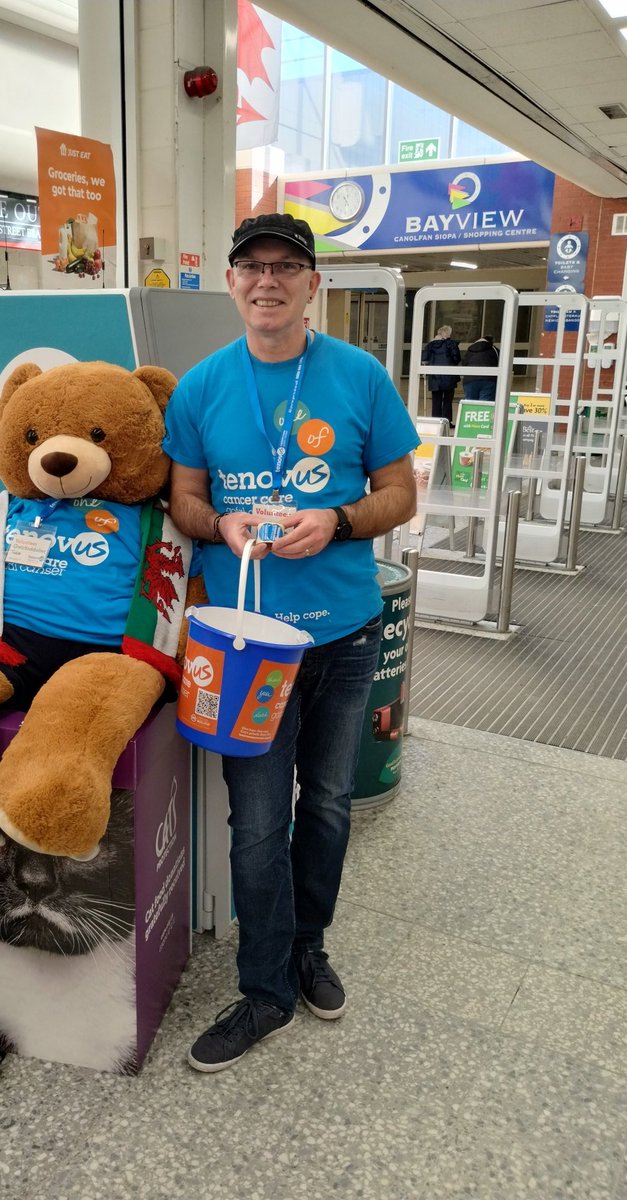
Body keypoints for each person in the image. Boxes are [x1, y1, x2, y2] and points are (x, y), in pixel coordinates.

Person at [163, 212, 419, 1073]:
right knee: (257, 823)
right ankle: (264, 988)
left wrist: (340, 521)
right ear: (231, 283)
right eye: (251, 266)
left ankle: (311, 947)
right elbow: (183, 501)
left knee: (330, 805)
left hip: (344, 634)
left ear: (314, 284)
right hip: (247, 648)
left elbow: (401, 493)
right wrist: (220, 522)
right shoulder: (202, 388)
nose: (267, 280)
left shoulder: (360, 378)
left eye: (286, 266)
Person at [421, 324, 461, 425]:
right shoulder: (451, 344)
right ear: (448, 334)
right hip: (448, 376)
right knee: (447, 400)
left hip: (435, 377)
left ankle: (435, 422)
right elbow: (456, 358)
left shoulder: (431, 345)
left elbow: (424, 359)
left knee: (436, 400)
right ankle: (446, 422)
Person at [461, 333, 498, 402]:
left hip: (470, 380)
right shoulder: (494, 350)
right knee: (484, 406)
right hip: (488, 380)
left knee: (470, 405)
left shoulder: (470, 350)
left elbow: (464, 364)